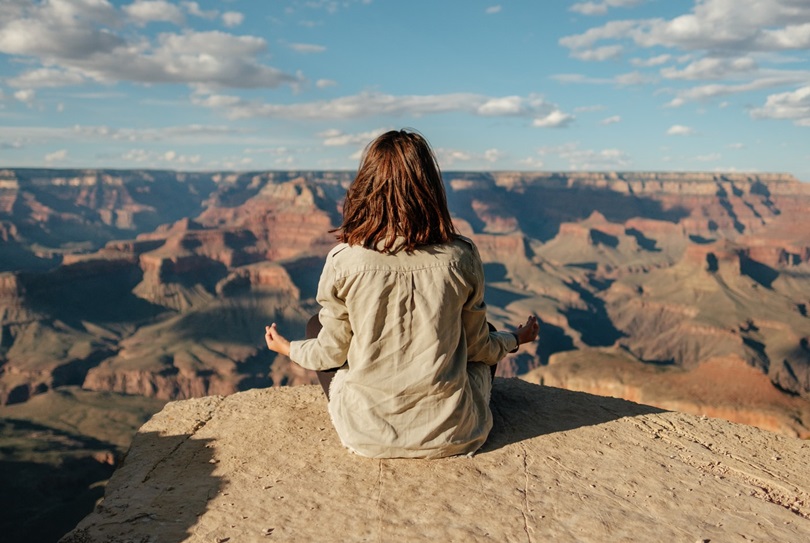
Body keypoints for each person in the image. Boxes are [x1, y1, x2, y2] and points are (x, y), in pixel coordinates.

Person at [264, 129, 539, 459]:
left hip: (366, 436)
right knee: (488, 331)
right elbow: (479, 347)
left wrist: (287, 348)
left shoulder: (344, 260)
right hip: (455, 434)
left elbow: (331, 354)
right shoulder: (460, 256)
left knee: (315, 327)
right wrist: (515, 338)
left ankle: (373, 418)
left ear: (366, 187)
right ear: (430, 188)